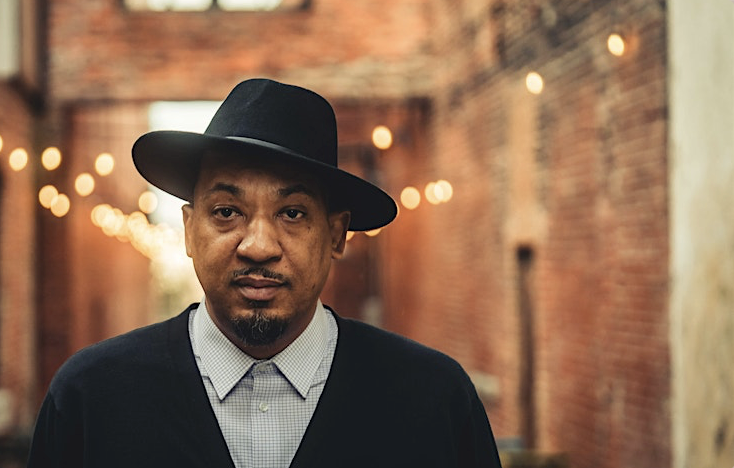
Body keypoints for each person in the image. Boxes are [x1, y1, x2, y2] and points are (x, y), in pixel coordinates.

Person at [26, 78, 502, 468]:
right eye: (227, 212)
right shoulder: (91, 399)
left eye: (292, 213)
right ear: (190, 231)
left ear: (337, 235)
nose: (257, 246)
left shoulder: (434, 401)